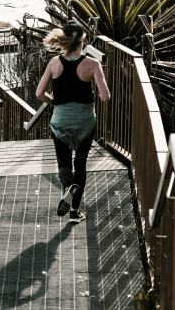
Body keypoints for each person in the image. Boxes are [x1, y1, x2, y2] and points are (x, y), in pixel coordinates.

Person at [35, 20, 110, 223]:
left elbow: (39, 93)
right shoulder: (92, 64)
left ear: (65, 39)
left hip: (60, 119)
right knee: (81, 163)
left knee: (64, 163)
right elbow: (105, 96)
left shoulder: (54, 63)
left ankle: (68, 188)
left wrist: (55, 103)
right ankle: (75, 211)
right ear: (83, 39)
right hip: (85, 121)